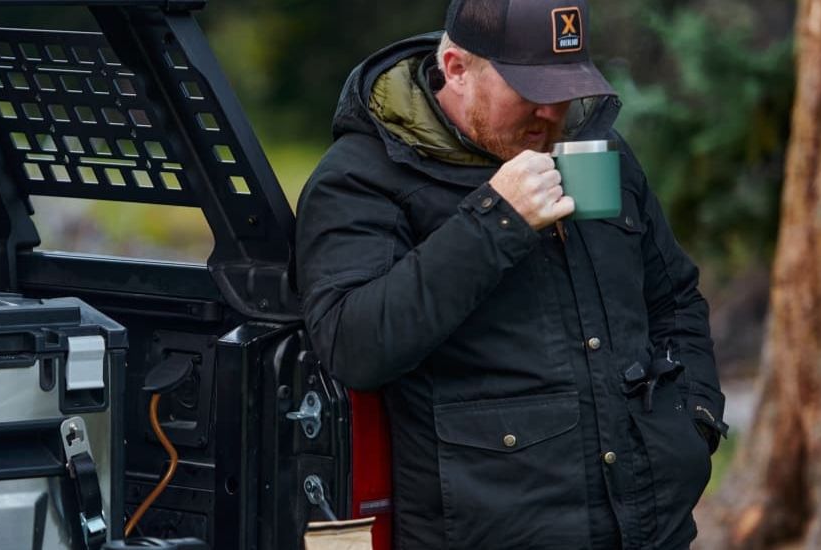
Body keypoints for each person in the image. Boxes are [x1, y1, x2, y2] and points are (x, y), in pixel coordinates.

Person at [294, 0, 728, 548]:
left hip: (647, 527)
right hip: (492, 530)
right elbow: (354, 343)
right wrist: (496, 220)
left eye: (567, 89)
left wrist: (694, 421)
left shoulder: (595, 149)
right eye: (533, 92)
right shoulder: (364, 178)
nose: (554, 114)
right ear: (455, 68)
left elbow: (674, 298)